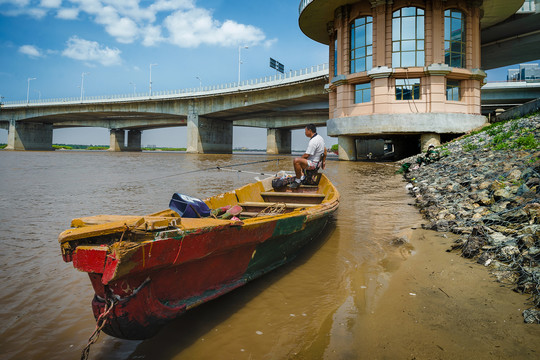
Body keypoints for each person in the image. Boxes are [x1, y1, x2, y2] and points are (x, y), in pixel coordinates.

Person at [289, 124, 326, 189]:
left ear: (310, 130)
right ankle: (303, 176)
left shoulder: (313, 141)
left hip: (313, 164)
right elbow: (325, 150)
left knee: (296, 161)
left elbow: (306, 155)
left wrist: (299, 162)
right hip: (318, 164)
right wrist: (323, 162)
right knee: (301, 161)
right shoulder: (320, 138)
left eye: (305, 131)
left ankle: (298, 181)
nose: (305, 133)